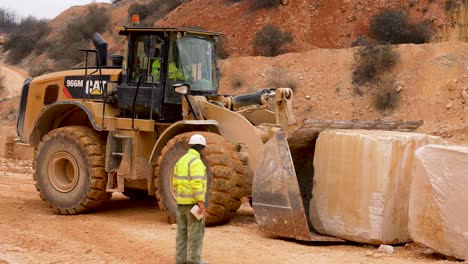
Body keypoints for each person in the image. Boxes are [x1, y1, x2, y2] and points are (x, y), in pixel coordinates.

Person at [173, 134, 208, 264]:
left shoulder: (181, 160)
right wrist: (200, 203)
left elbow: (175, 182)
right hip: (193, 205)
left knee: (181, 233)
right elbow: (196, 183)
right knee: (196, 234)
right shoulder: (196, 162)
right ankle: (194, 261)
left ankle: (180, 260)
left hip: (181, 204)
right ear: (202, 147)